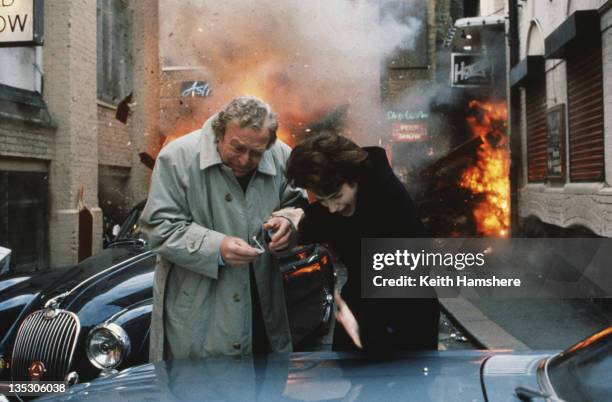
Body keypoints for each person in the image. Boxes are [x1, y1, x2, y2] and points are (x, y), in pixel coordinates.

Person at [140, 96, 305, 361]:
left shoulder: (281, 156)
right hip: (200, 318)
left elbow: (299, 202)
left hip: (264, 314)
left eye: (256, 153)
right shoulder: (177, 158)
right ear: (219, 133)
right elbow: (157, 227)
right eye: (237, 148)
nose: (244, 160)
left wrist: (288, 222)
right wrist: (216, 248)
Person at [284, 132, 440, 352]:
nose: (332, 208)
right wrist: (289, 224)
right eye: (322, 199)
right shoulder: (336, 189)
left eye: (337, 196)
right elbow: (315, 221)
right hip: (359, 311)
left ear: (353, 176)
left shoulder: (388, 198)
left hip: (406, 315)